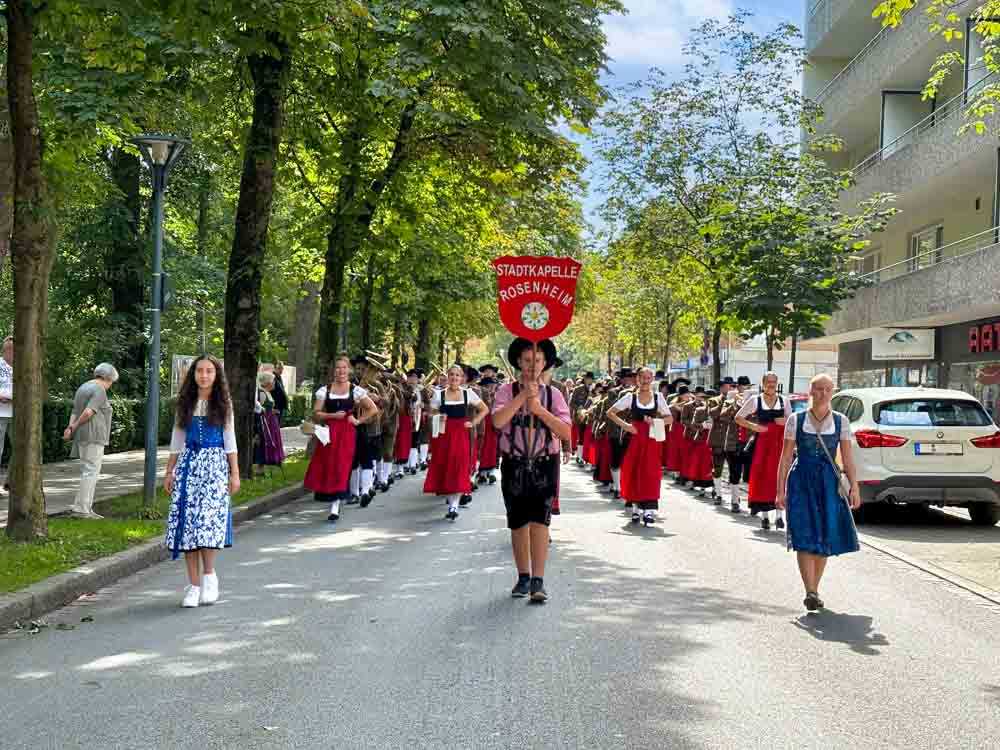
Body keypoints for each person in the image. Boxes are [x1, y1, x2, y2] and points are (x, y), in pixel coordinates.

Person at [493, 338, 571, 602]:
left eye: (537, 361)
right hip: (514, 463)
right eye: (527, 360)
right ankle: (523, 576)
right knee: (517, 522)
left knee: (540, 521)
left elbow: (565, 431)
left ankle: (538, 580)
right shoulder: (506, 391)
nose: (532, 366)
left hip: (544, 463)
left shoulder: (554, 395)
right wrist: (523, 397)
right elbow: (498, 421)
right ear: (518, 362)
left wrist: (538, 409)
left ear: (544, 363)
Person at [776, 374, 861, 612]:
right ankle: (810, 591)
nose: (823, 393)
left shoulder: (841, 421)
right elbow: (785, 458)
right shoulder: (796, 419)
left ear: (832, 392)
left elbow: (847, 458)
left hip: (828, 482)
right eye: (818, 389)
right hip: (801, 479)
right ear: (810, 391)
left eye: (827, 389)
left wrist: (854, 486)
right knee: (803, 533)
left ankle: (814, 589)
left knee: (824, 533)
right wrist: (779, 491)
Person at [163, 355, 239, 608]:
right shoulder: (185, 403)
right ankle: (193, 585)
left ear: (216, 375)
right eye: (199, 371)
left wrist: (234, 473)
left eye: (209, 371)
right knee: (188, 525)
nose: (203, 376)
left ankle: (209, 576)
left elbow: (230, 441)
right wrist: (169, 471)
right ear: (193, 374)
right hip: (189, 466)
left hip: (215, 467)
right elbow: (177, 439)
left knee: (207, 523)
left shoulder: (223, 404)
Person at [304, 356, 378, 523]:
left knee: (342, 466)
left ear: (349, 370)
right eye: (338, 368)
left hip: (347, 433)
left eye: (344, 368)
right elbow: (316, 412)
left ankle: (335, 507)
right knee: (329, 465)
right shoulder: (325, 390)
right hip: (329, 433)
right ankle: (333, 503)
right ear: (334, 371)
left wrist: (358, 420)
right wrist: (332, 415)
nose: (341, 371)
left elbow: (372, 409)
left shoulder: (355, 390)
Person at [607, 367, 672, 525]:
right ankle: (636, 508)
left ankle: (649, 511)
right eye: (643, 377)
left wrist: (657, 422)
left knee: (651, 472)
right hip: (635, 439)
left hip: (651, 439)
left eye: (649, 377)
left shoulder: (658, 397)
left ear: (652, 379)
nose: (645, 380)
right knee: (633, 470)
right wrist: (627, 426)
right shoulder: (630, 397)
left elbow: (669, 418)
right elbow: (610, 412)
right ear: (638, 379)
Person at [424, 364, 488, 520]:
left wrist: (473, 423)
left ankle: (454, 506)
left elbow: (484, 409)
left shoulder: (468, 393)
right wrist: (439, 415)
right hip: (444, 435)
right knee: (446, 467)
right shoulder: (439, 395)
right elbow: (430, 412)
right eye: (451, 375)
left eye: (457, 375)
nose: (454, 378)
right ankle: (451, 500)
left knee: (459, 467)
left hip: (460, 434)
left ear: (462, 378)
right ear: (448, 376)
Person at [736, 371, 791, 531]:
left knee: (780, 476)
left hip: (780, 443)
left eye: (774, 381)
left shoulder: (784, 401)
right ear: (763, 383)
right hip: (763, 442)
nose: (771, 384)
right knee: (761, 476)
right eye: (768, 381)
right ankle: (765, 516)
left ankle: (780, 516)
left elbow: (792, 421)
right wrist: (754, 427)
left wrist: (785, 421)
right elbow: (738, 418)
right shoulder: (755, 400)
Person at [64, 363, 119, 518]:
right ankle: (82, 509)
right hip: (94, 435)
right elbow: (88, 412)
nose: (110, 386)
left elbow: (75, 411)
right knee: (91, 471)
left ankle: (85, 508)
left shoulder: (83, 387)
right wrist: (73, 427)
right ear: (108, 378)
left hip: (82, 435)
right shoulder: (99, 390)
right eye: (111, 382)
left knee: (88, 470)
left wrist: (70, 428)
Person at [254, 372, 285, 469]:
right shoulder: (262, 392)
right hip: (267, 421)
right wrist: (270, 411)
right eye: (273, 381)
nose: (274, 383)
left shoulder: (267, 392)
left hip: (271, 420)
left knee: (271, 441)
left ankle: (270, 462)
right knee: (265, 442)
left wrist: (273, 411)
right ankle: (261, 467)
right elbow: (261, 409)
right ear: (268, 383)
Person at [0, 335, 12, 495]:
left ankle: (10, 482)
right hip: (0, 413)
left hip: (18, 414)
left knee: (22, 449)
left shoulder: (24, 366)